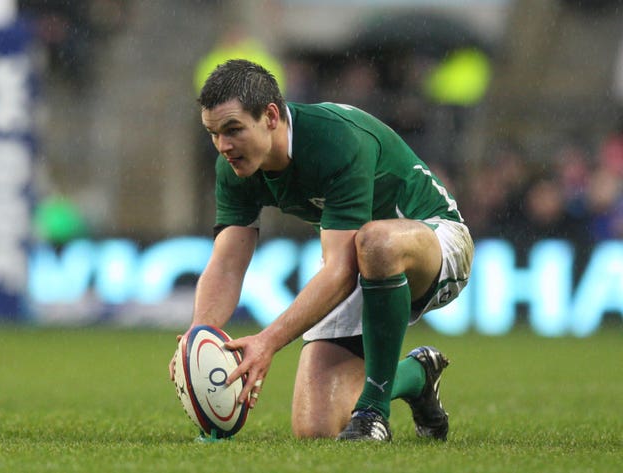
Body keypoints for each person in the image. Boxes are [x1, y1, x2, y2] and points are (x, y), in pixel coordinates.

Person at [169, 59, 474, 442]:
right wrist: (199, 336)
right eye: (213, 133)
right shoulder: (234, 166)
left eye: (233, 130)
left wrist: (267, 342)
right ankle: (416, 376)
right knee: (316, 428)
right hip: (360, 259)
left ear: (271, 116)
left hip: (437, 243)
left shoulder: (334, 139)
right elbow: (228, 263)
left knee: (375, 241)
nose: (223, 146)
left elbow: (340, 270)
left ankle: (374, 413)